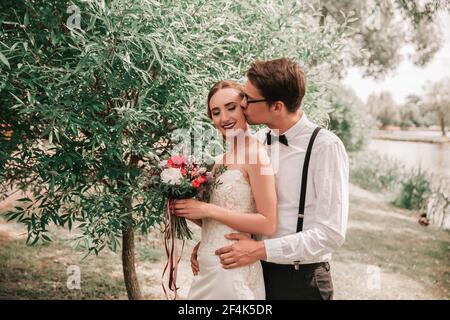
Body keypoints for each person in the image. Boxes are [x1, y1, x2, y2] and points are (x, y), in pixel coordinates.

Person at [181, 58, 349, 300]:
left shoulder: (325, 147)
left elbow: (331, 233)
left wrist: (261, 249)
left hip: (300, 280)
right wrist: (212, 242)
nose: (242, 104)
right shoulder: (255, 141)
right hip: (251, 269)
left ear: (277, 106)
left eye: (248, 99)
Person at [174, 80, 278, 299]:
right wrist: (184, 208)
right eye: (216, 112)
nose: (224, 118)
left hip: (233, 266)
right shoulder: (220, 161)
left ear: (245, 107)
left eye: (231, 108)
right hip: (207, 265)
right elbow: (216, 220)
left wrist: (207, 210)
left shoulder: (257, 155)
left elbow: (268, 223)